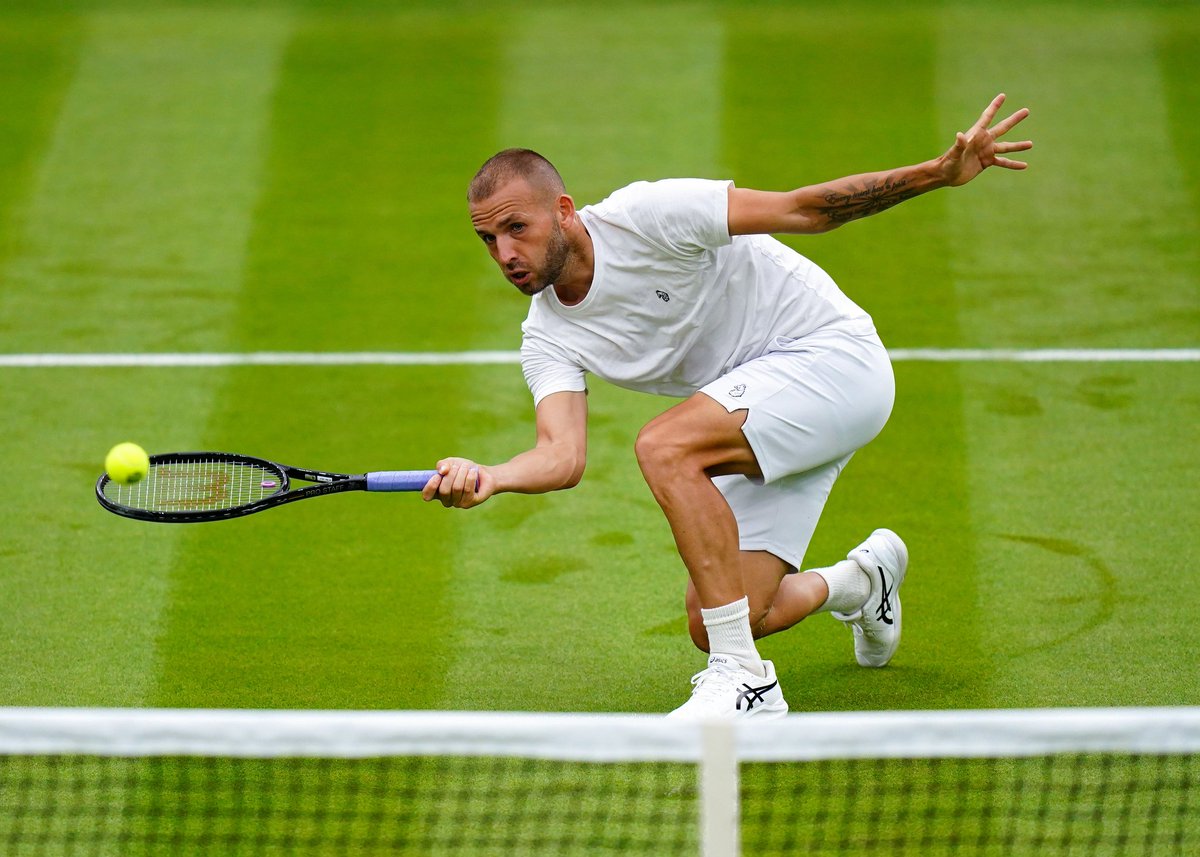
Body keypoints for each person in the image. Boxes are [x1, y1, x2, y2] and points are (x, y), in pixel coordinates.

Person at [423, 94, 1032, 719]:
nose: (504, 256)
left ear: (563, 210)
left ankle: (744, 679)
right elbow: (561, 456)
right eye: (488, 239)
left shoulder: (646, 215)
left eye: (515, 229)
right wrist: (492, 477)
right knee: (720, 616)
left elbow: (804, 210)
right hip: (760, 413)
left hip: (834, 362)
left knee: (665, 446)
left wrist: (938, 172)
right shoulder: (547, 335)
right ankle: (860, 582)